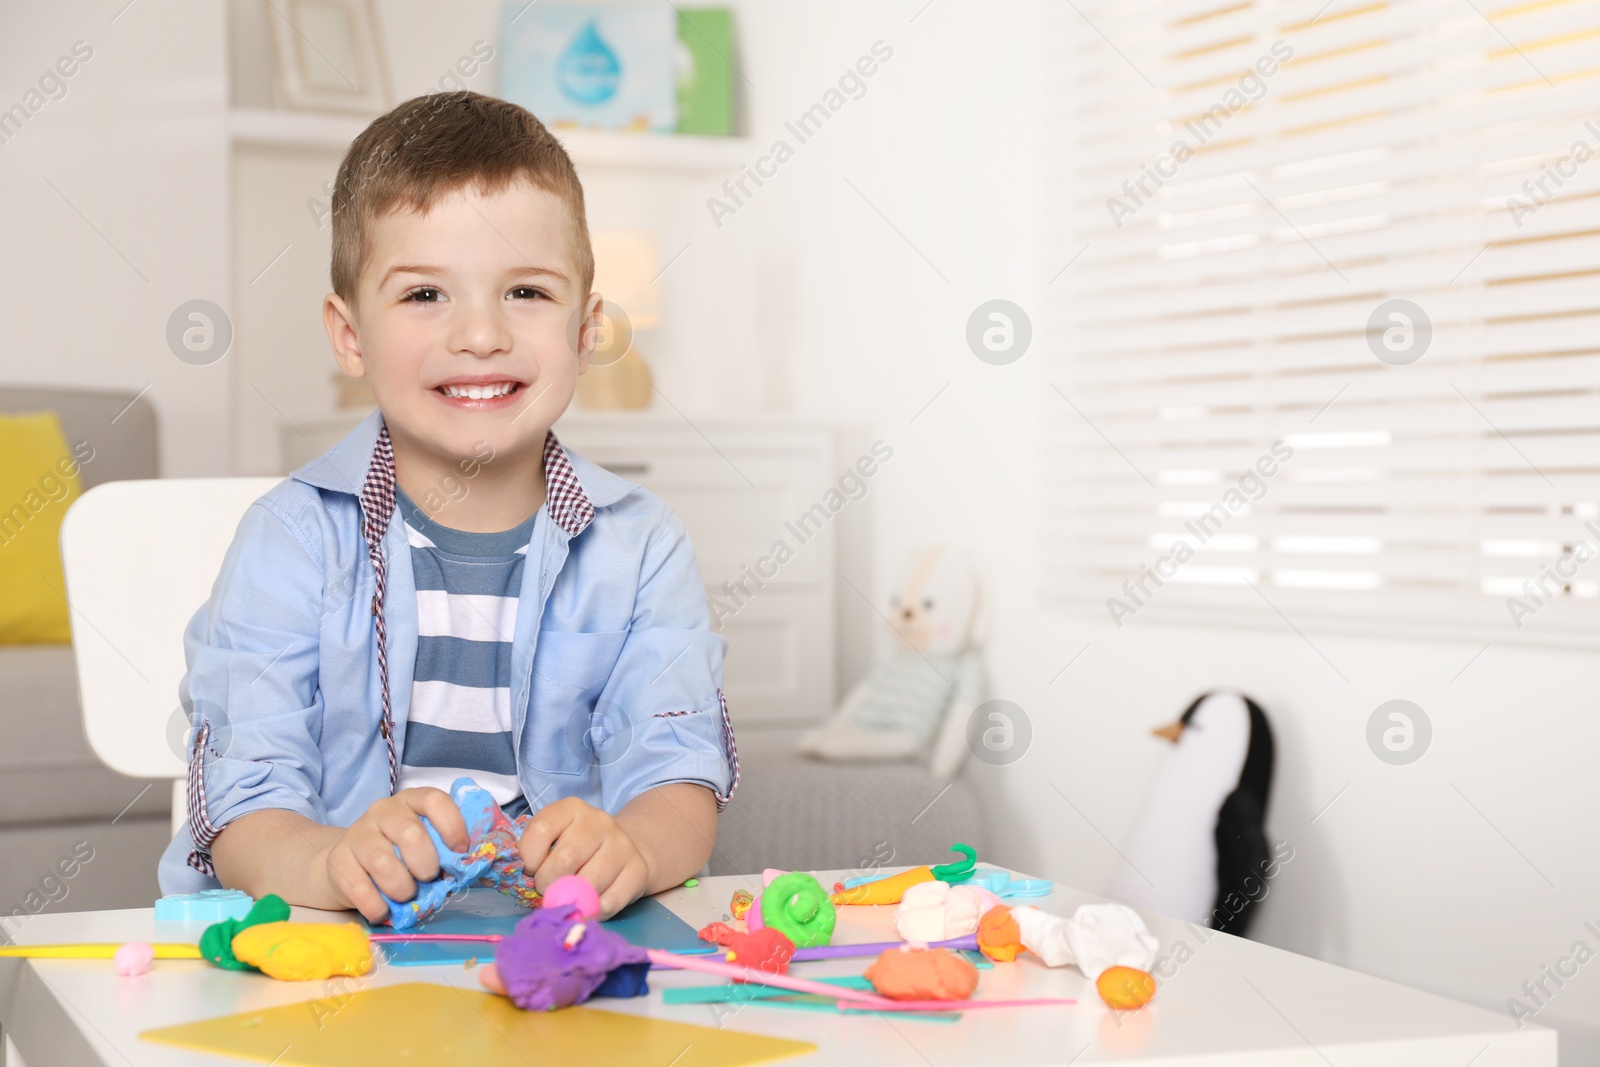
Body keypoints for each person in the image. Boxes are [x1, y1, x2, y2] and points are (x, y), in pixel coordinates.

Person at [156, 91, 738, 921]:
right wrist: (331, 861)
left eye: (527, 292)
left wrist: (636, 847)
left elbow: (679, 774)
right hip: (324, 954)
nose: (480, 335)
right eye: (425, 294)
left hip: (545, 954)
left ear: (585, 330)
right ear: (350, 333)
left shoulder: (642, 546)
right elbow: (244, 804)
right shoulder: (289, 541)